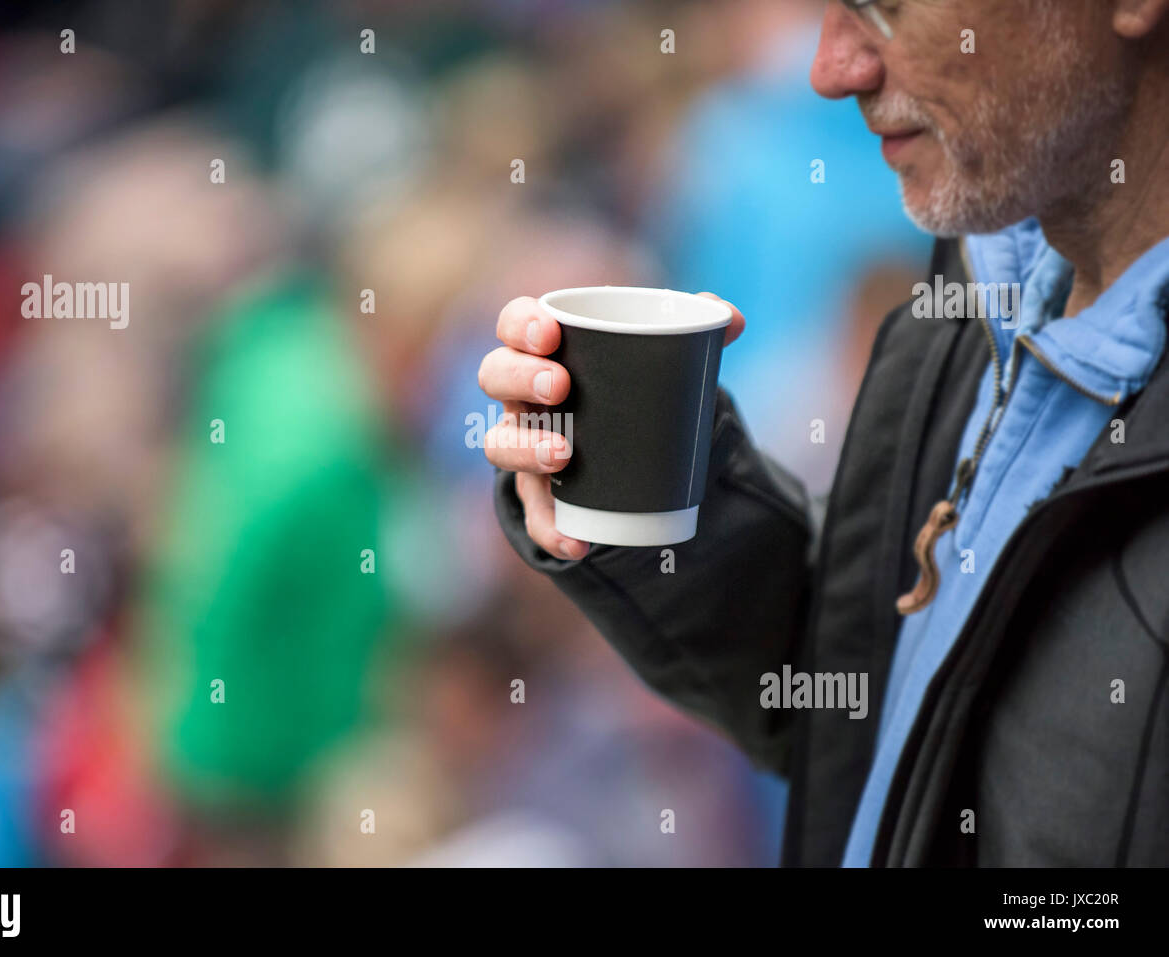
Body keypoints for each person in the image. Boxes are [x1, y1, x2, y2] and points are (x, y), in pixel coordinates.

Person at [478, 0, 1169, 866]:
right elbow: (878, 709)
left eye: (884, 6)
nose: (832, 68)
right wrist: (649, 493)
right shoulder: (980, 280)